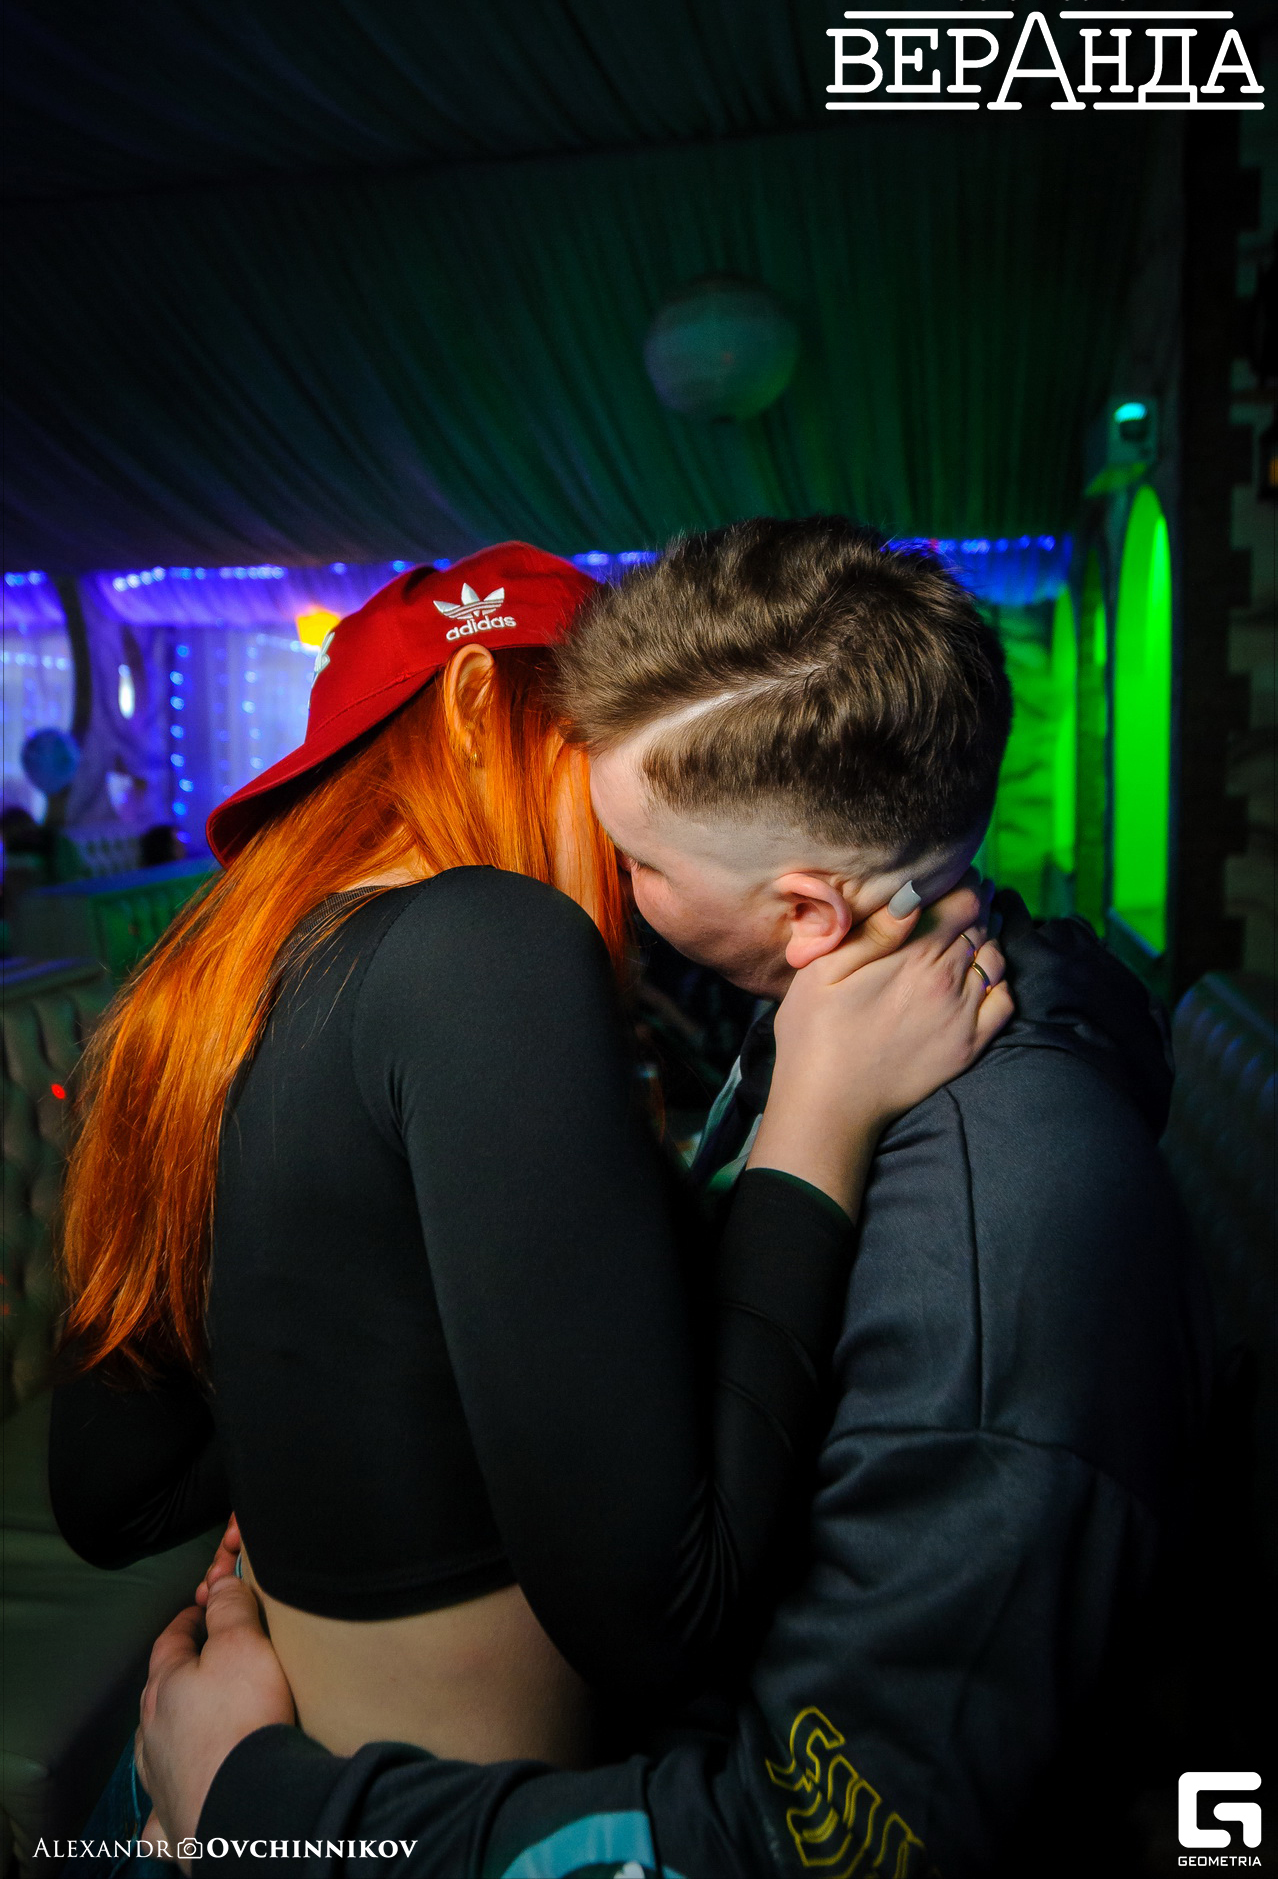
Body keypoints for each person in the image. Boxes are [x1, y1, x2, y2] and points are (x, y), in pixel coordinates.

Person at [126, 520, 1211, 1879]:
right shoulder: (827, 1024)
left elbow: (802, 1848)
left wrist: (261, 1803)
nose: (606, 887)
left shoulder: (1005, 1224)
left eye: (637, 860)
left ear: (805, 912)